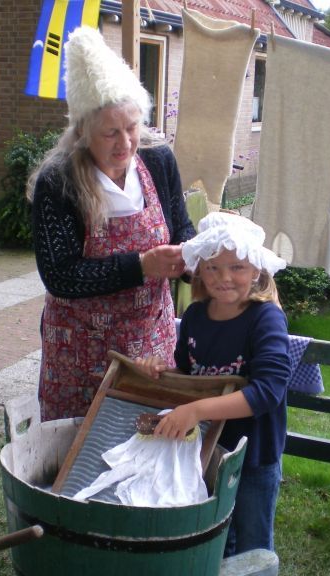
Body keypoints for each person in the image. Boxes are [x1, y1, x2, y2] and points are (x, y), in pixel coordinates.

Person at [27, 26, 195, 422]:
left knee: (147, 447)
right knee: (80, 456)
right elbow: (60, 275)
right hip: (79, 352)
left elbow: (181, 227)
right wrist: (140, 266)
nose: (126, 142)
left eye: (132, 126)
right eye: (111, 132)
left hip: (150, 342)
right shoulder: (59, 180)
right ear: (83, 132)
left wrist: (193, 259)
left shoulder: (157, 158)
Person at [135, 211, 291, 556]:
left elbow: (268, 391)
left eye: (237, 267)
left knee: (251, 547)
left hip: (252, 455)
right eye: (213, 267)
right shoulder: (194, 317)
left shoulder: (265, 319)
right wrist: (162, 371)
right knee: (215, 538)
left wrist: (195, 410)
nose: (225, 278)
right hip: (206, 449)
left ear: (255, 270)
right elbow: (191, 377)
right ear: (200, 272)